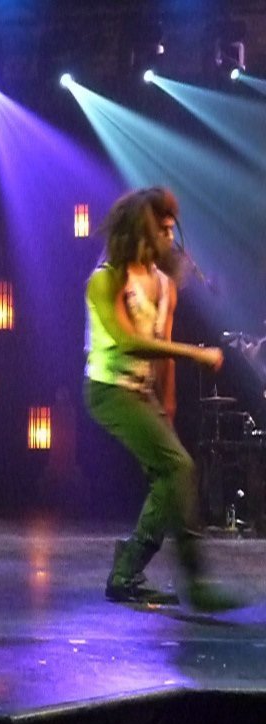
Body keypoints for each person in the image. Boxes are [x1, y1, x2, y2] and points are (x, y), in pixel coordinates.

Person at [84, 187, 240, 610]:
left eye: (172, 229)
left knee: (172, 479)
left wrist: (167, 404)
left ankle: (126, 572)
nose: (170, 237)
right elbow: (128, 342)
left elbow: (162, 349)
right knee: (179, 468)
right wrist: (196, 353)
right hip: (108, 390)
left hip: (141, 393)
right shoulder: (105, 280)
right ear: (141, 230)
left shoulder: (164, 284)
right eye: (163, 229)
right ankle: (194, 582)